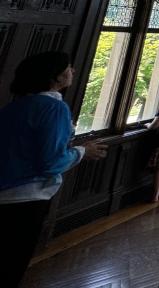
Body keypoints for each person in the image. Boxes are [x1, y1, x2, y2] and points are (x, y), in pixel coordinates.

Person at [0, 52, 107, 287]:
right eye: (69, 67)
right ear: (56, 76)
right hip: (27, 199)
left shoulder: (15, 107)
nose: (73, 71)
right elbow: (50, 162)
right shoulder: (54, 108)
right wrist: (82, 151)